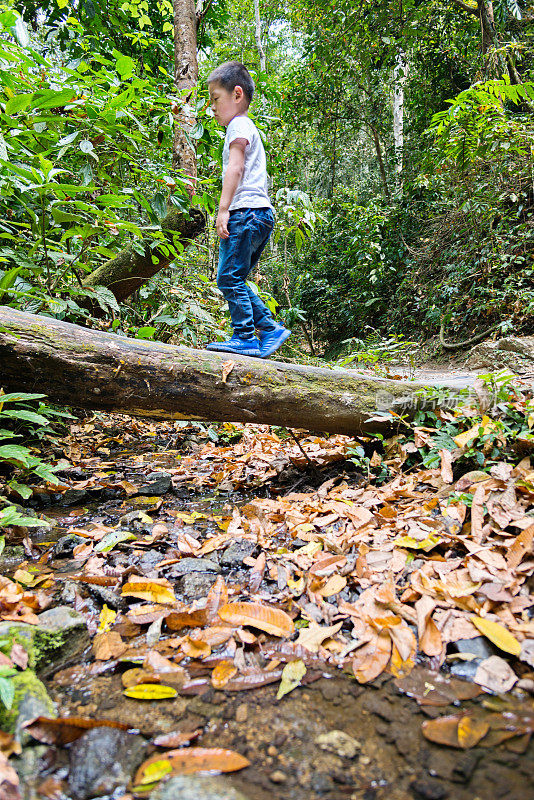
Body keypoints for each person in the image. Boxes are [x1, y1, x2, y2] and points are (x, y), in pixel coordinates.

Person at [205, 61, 290, 358]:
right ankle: (269, 328)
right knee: (234, 278)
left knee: (228, 278)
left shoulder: (238, 126)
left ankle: (245, 337)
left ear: (236, 94)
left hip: (245, 213)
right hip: (260, 215)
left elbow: (236, 168)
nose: (212, 108)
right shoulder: (247, 126)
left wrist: (223, 209)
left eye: (216, 99)